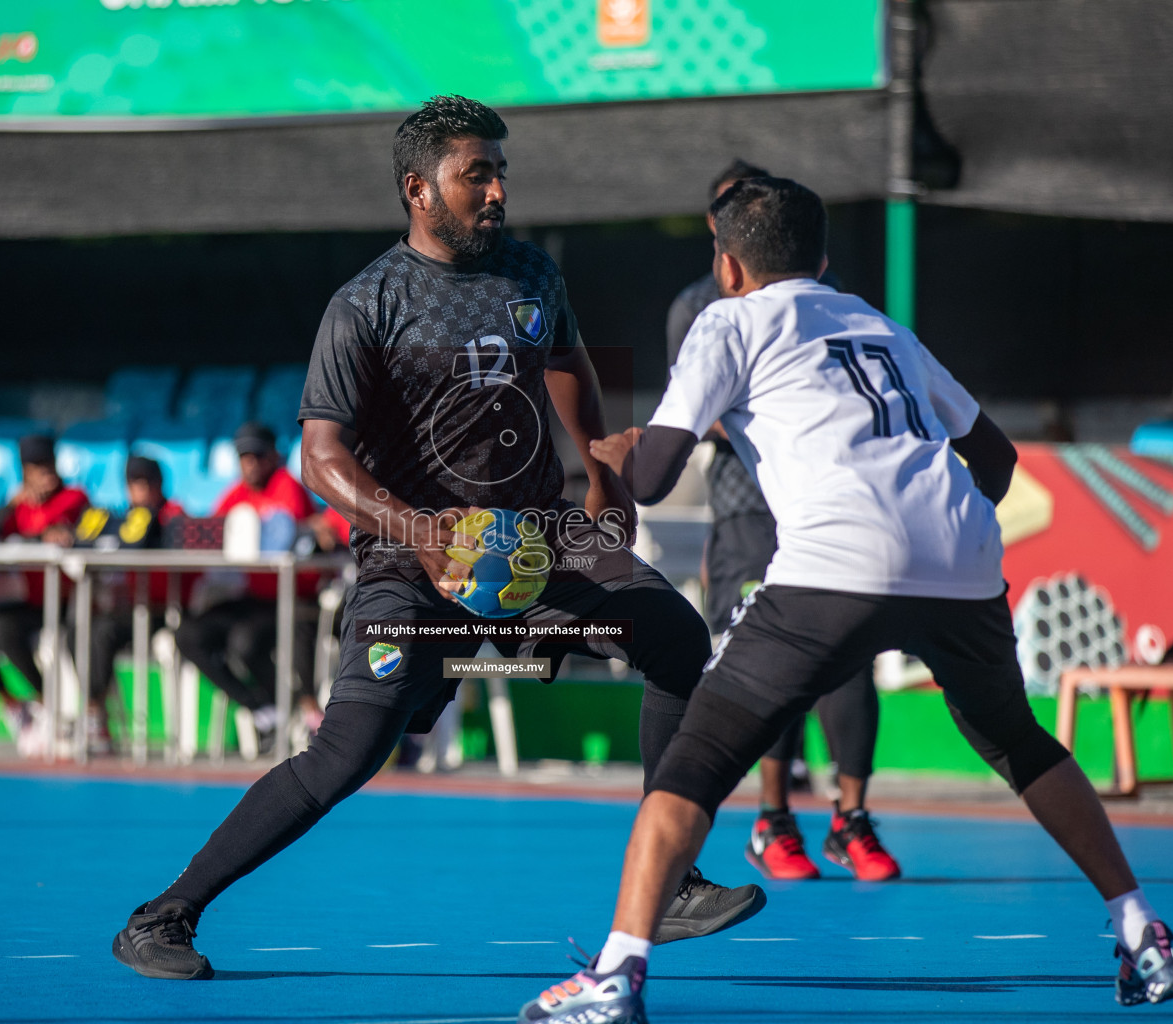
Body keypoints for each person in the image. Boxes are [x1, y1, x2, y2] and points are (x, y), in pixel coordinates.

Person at [522, 177, 1173, 1023]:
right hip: (960, 552)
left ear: (727, 265)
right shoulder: (880, 327)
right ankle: (1143, 931)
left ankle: (616, 977)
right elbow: (994, 462)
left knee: (694, 758)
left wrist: (621, 450)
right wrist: (931, 541)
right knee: (1018, 742)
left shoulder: (727, 320)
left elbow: (656, 479)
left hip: (837, 559)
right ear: (824, 259)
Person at [110, 95, 761, 982]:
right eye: (476, 175)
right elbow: (320, 457)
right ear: (419, 189)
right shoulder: (365, 304)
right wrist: (423, 534)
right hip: (409, 562)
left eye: (501, 172)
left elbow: (567, 362)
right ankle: (161, 918)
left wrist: (602, 472)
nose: (496, 190)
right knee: (348, 754)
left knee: (682, 642)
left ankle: (674, 878)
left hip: (537, 541)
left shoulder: (534, 272)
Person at [671, 160, 898, 882]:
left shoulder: (836, 309)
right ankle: (772, 820)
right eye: (731, 210)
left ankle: (851, 818)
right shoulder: (703, 310)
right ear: (719, 230)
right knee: (767, 665)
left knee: (849, 663)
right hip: (747, 515)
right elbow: (690, 423)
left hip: (833, 515)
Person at [174, 422, 326, 743]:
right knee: (189, 635)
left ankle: (295, 705)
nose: (251, 463)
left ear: (273, 456)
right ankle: (261, 707)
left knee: (244, 642)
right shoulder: (236, 493)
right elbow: (213, 536)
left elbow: (278, 538)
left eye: (257, 455)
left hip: (292, 599)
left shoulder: (287, 486)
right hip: (251, 596)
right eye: (244, 456)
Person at [0, 434, 89, 752]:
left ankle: (50, 702)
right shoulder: (21, 507)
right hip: (30, 601)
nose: (45, 472)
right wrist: (11, 507)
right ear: (25, 471)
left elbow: (70, 531)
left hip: (64, 603)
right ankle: (12, 704)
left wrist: (39, 535)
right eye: (36, 467)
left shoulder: (73, 497)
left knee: (3, 629)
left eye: (48, 464)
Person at [76, 455, 186, 755]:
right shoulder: (125, 520)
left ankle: (93, 711)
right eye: (134, 484)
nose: (141, 491)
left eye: (146, 483)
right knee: (81, 628)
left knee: (102, 631)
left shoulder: (174, 515)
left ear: (159, 484)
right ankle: (95, 712)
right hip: (131, 610)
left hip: (168, 611)